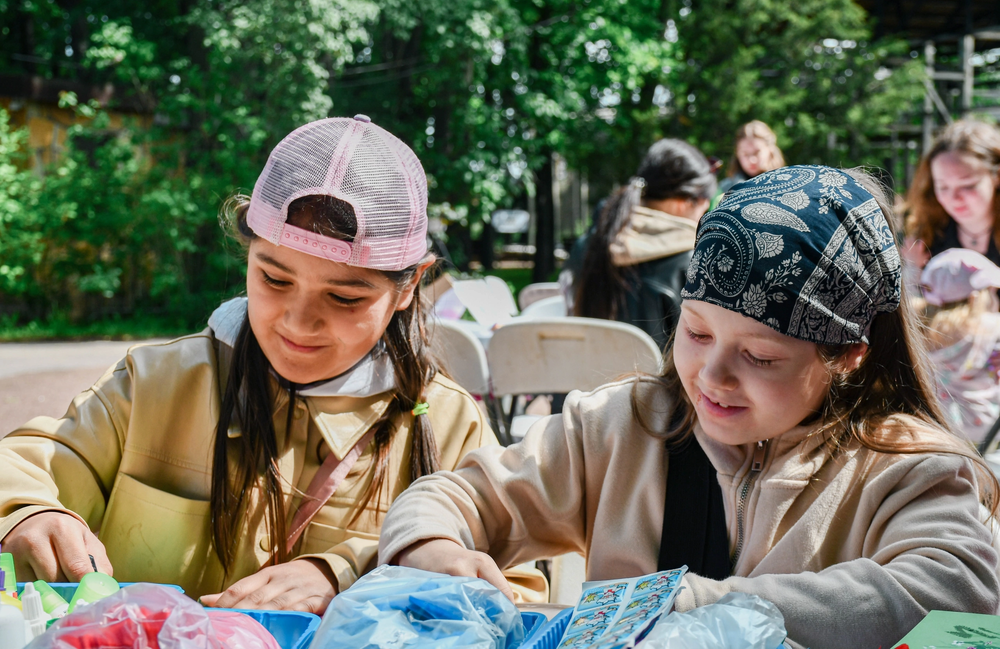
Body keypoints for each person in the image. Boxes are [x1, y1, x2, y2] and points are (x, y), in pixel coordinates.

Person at [378, 165, 1000, 649]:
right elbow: (456, 496)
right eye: (697, 333)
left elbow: (956, 592)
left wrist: (690, 607)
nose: (713, 375)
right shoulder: (620, 426)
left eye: (760, 356)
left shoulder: (904, 468)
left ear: (846, 355)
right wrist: (432, 547)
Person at [0, 116, 505, 614]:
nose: (299, 323)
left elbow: (513, 596)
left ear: (409, 286)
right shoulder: (154, 384)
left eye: (346, 297)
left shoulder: (449, 427)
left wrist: (358, 575)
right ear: (247, 255)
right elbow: (24, 465)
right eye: (274, 280)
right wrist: (25, 510)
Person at [565, 139, 717, 350]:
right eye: (705, 205)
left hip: (582, 380)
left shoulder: (586, 245)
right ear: (683, 202)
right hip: (659, 383)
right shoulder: (694, 261)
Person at [918, 248, 1000, 448]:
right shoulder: (993, 328)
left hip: (934, 425)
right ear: (975, 298)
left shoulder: (918, 328)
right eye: (992, 292)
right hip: (984, 433)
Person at [903, 119, 1000, 270]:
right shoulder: (926, 238)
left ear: (997, 177)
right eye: (943, 187)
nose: (954, 198)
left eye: (967, 186)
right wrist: (912, 272)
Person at [716, 120, 786, 194]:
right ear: (737, 153)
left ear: (770, 149)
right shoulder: (724, 190)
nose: (752, 160)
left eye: (757, 152)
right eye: (745, 154)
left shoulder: (787, 185)